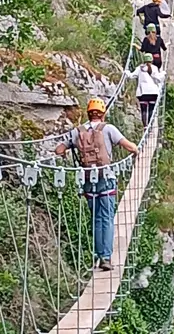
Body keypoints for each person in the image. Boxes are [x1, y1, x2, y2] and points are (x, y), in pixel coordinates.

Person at [55, 97, 139, 271]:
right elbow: (130, 147)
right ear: (103, 114)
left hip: (87, 181)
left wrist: (63, 153)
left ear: (88, 113)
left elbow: (59, 149)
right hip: (106, 179)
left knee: (95, 219)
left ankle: (97, 254)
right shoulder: (108, 129)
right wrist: (137, 150)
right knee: (106, 219)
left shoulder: (77, 131)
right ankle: (106, 258)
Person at [133, 59, 164, 128]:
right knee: (151, 109)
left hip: (143, 92)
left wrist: (126, 72)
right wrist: (163, 74)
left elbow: (132, 76)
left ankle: (145, 127)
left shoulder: (139, 68)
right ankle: (150, 126)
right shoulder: (155, 68)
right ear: (152, 60)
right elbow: (158, 79)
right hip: (153, 93)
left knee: (143, 110)